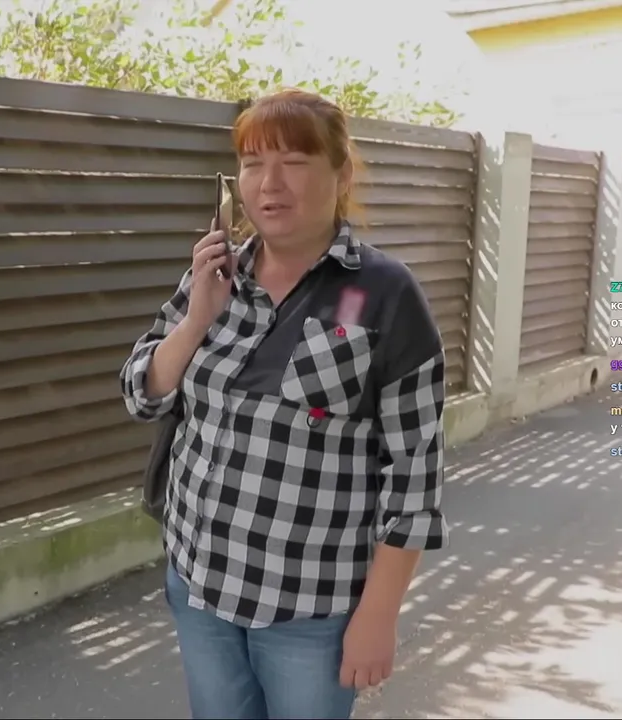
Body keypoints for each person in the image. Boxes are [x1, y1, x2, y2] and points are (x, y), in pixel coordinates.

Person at [119, 88, 450, 720]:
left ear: (341, 173)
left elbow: (415, 475)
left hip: (309, 612)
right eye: (252, 163)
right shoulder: (215, 274)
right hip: (198, 585)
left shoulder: (384, 294)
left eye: (294, 162)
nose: (269, 184)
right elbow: (142, 394)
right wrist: (196, 319)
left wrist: (379, 615)